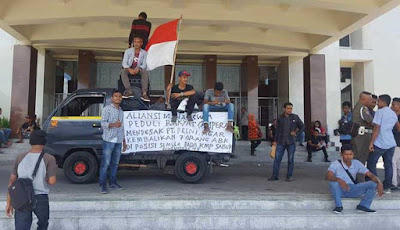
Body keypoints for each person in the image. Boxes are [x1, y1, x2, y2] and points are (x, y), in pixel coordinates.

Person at [6, 130, 57, 229]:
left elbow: (12, 182)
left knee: (22, 227)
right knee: (43, 224)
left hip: (22, 197)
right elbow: (52, 181)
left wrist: (9, 202)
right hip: (40, 197)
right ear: (44, 142)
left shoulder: (20, 157)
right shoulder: (49, 158)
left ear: (30, 142)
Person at [326, 144, 384, 214]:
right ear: (341, 154)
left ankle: (363, 205)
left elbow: (370, 175)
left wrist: (379, 182)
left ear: (353, 154)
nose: (348, 157)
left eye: (350, 154)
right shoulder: (335, 164)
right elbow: (328, 176)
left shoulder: (356, 163)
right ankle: (338, 206)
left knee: (373, 183)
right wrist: (339, 180)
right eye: (346, 154)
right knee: (333, 183)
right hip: (340, 190)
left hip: (352, 189)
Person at [367, 94, 398, 193]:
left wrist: (371, 143)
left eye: (378, 101)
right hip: (391, 143)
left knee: (371, 163)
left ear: (383, 102)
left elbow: (377, 128)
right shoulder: (393, 113)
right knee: (388, 165)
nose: (377, 103)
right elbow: (397, 127)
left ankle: (375, 185)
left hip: (380, 142)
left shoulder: (380, 112)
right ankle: (387, 187)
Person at [99, 90, 127, 194]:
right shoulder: (107, 109)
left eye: (120, 96)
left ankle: (113, 183)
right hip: (108, 140)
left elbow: (122, 127)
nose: (118, 98)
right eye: (116, 96)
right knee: (105, 163)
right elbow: (103, 123)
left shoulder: (121, 111)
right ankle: (102, 185)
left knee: (115, 163)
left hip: (118, 140)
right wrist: (113, 124)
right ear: (112, 98)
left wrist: (124, 141)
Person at [269, 102, 304, 182]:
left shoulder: (295, 117)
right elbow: (277, 130)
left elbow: (302, 126)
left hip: (291, 141)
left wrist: (296, 134)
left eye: (291, 108)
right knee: (277, 159)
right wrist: (275, 141)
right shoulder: (280, 118)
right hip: (281, 141)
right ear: (284, 109)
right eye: (288, 108)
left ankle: (289, 176)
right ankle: (275, 175)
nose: (290, 110)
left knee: (290, 159)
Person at [121, 36, 150, 101]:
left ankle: (144, 94)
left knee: (145, 72)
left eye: (138, 42)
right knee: (123, 71)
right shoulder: (128, 51)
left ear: (141, 43)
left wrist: (139, 68)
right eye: (135, 42)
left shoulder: (144, 53)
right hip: (129, 68)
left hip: (138, 69)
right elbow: (124, 63)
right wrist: (129, 69)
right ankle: (129, 91)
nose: (136, 44)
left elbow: (144, 64)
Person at [351, 91, 374, 166]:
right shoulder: (363, 108)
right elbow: (371, 121)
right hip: (362, 135)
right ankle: (360, 177)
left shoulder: (357, 106)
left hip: (358, 134)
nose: (371, 101)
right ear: (364, 99)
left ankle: (357, 176)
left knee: (357, 156)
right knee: (362, 157)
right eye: (370, 100)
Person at [391, 97, 400, 190]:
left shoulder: (396, 117)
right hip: (395, 142)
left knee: (393, 162)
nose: (391, 107)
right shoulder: (393, 115)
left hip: (397, 142)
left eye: (393, 105)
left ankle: (393, 183)